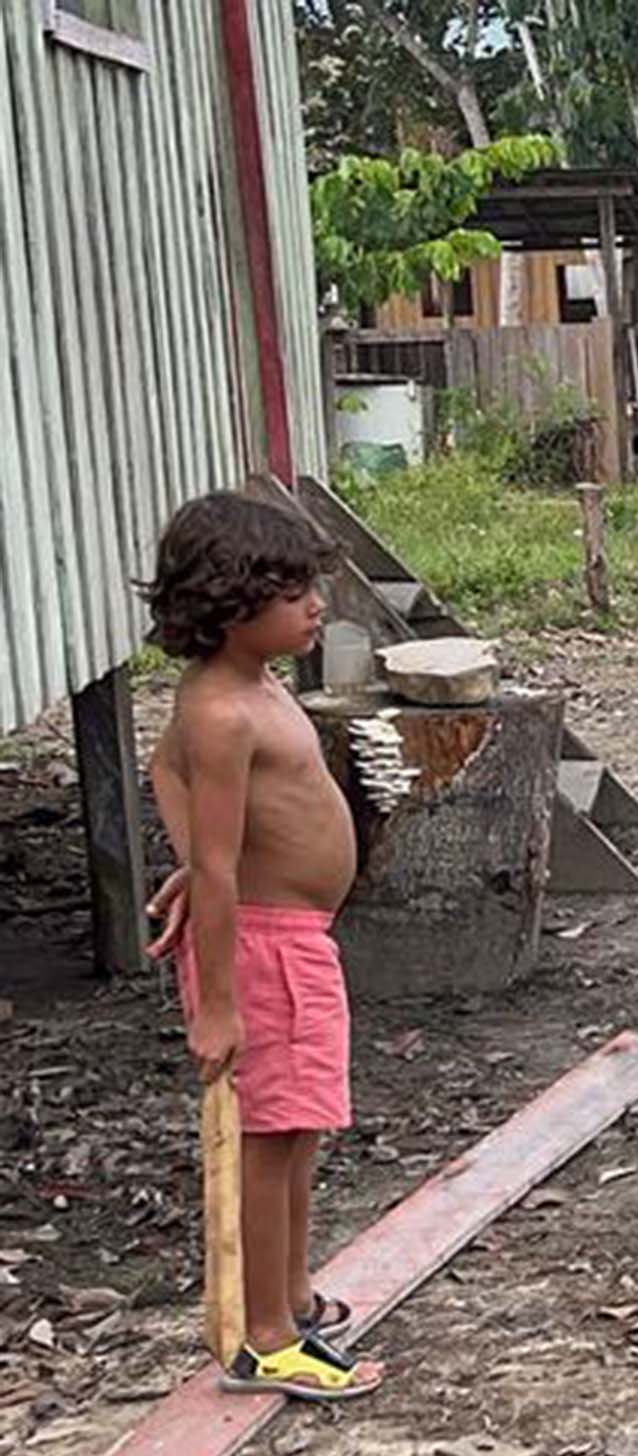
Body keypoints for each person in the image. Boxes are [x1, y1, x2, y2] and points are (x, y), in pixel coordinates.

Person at [145, 491, 385, 1398]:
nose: (316, 605)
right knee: (269, 1137)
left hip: (294, 941)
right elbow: (214, 858)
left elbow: (167, 778)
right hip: (263, 953)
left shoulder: (253, 685)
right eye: (295, 591)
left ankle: (291, 1295)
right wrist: (216, 1003)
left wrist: (200, 869)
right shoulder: (221, 711)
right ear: (232, 602)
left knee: (301, 1127)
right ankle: (265, 1337)